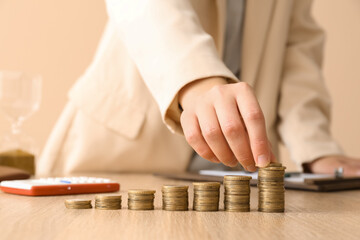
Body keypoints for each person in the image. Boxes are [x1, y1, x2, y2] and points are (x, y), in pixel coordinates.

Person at [37, 0, 360, 176]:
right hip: (124, 151)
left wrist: (315, 147)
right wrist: (197, 80)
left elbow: (295, 45)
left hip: (236, 167)